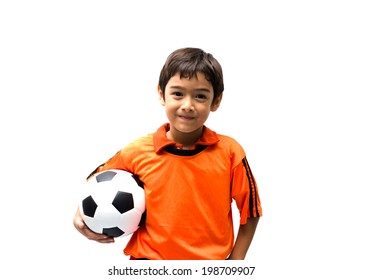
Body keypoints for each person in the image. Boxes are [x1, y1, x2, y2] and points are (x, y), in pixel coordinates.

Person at [73, 47, 262, 260]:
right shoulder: (137, 151)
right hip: (148, 265)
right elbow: (96, 183)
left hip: (208, 268)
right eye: (178, 94)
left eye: (200, 96)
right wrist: (82, 215)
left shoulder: (230, 152)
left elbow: (251, 210)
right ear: (162, 94)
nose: (187, 105)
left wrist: (235, 263)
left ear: (216, 101)